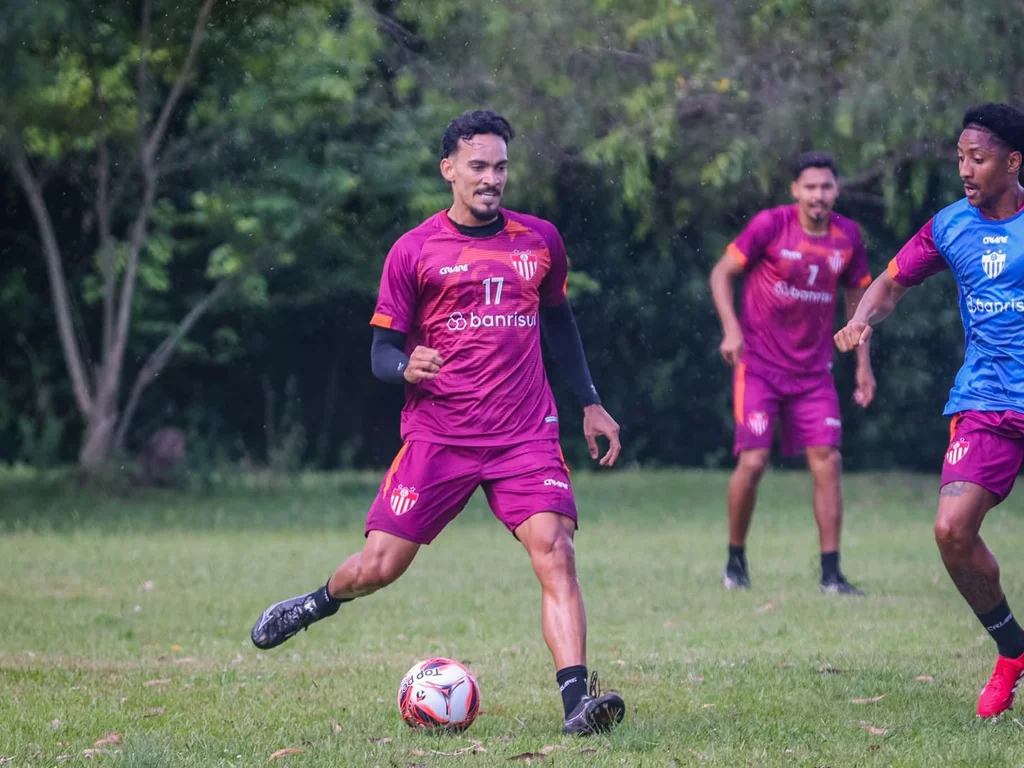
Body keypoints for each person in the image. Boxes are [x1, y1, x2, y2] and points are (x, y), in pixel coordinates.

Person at [249, 109, 626, 735]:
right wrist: (407, 366)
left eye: (500, 167)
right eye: (478, 166)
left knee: (556, 552)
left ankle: (576, 706)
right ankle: (317, 602)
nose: (492, 178)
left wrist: (589, 399)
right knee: (379, 568)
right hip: (439, 439)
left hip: (524, 434)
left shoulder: (539, 241)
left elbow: (559, 322)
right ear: (448, 168)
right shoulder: (414, 250)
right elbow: (380, 355)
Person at [835, 102, 1024, 718]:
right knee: (951, 532)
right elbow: (889, 283)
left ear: (1013, 162)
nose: (966, 170)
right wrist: (861, 319)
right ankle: (1012, 649)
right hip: (988, 399)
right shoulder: (950, 226)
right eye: (961, 157)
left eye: (980, 158)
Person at [709, 151, 876, 594]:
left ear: (836, 190)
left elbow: (859, 303)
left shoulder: (848, 238)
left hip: (813, 373)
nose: (818, 195)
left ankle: (831, 575)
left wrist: (863, 364)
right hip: (759, 367)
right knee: (754, 461)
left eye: (826, 186)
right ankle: (735, 562)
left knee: (829, 461)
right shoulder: (770, 225)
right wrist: (731, 329)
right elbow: (721, 273)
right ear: (795, 190)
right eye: (810, 187)